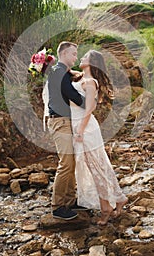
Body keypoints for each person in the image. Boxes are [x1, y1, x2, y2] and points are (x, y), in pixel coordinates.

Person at [70, 50, 128, 225]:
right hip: (78, 125)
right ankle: (119, 198)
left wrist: (80, 130)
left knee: (96, 168)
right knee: (100, 165)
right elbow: (62, 70)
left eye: (85, 57)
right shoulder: (80, 77)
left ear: (92, 62)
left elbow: (89, 109)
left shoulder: (90, 82)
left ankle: (106, 208)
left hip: (86, 128)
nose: (81, 58)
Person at [47, 41, 88, 220]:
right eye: (73, 53)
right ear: (63, 54)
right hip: (60, 122)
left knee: (71, 162)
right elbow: (71, 94)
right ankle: (57, 206)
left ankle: (70, 201)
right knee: (66, 164)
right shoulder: (58, 72)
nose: (76, 57)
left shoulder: (62, 72)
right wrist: (89, 104)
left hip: (65, 121)